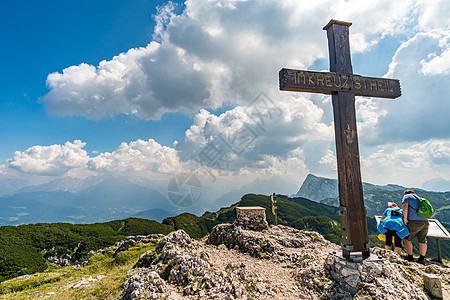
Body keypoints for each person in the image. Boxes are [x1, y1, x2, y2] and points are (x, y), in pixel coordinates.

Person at [402, 189, 429, 264]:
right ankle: (421, 259)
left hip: (414, 222)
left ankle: (410, 257)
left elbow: (405, 207)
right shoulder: (419, 198)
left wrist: (405, 218)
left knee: (407, 238)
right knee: (422, 240)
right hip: (425, 221)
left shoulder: (406, 197)